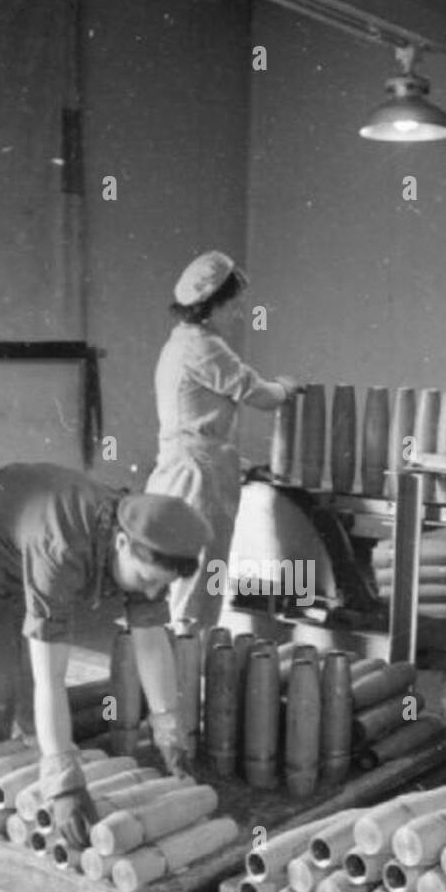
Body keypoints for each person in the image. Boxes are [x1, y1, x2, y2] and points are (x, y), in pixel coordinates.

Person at [0, 462, 211, 847]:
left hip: (23, 546)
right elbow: (52, 678)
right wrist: (64, 783)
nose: (150, 594)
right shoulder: (61, 551)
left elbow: (150, 639)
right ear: (120, 544)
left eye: (159, 587)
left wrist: (169, 730)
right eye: (146, 581)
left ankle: (33, 806)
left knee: (34, 718)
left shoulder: (149, 544)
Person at [146, 250, 303, 627]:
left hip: (182, 469)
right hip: (198, 477)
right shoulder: (203, 346)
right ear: (210, 305)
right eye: (233, 305)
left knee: (186, 576)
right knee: (199, 578)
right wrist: (285, 389)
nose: (238, 314)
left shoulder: (178, 344)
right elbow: (257, 393)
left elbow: (197, 418)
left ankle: (181, 663)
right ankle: (190, 670)